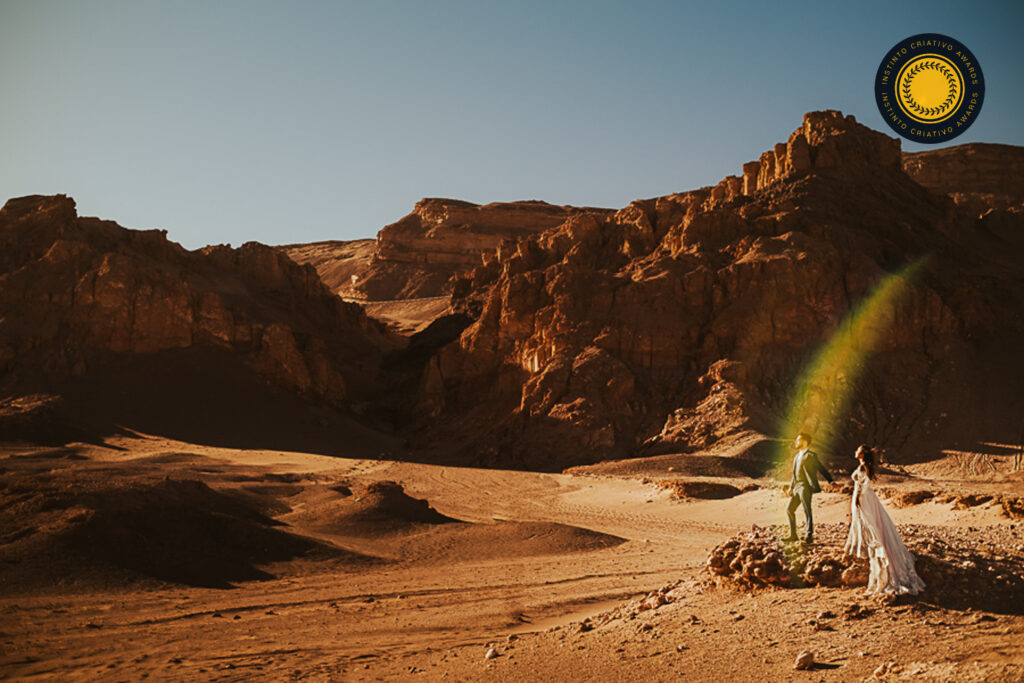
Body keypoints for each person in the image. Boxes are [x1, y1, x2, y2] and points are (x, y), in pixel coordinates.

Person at [844, 445, 925, 596]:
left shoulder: (863, 467)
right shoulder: (863, 466)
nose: (855, 452)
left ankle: (884, 566)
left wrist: (857, 498)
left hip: (864, 499)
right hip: (866, 498)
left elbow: (863, 484)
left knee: (872, 527)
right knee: (875, 526)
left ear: (862, 454)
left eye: (857, 450)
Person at [785, 433, 834, 543]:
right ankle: (793, 535)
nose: (796, 442)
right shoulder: (797, 456)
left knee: (807, 510)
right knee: (789, 509)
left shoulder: (811, 456)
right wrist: (790, 487)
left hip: (805, 486)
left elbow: (821, 469)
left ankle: (809, 535)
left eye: (798, 440)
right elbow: (794, 474)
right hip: (796, 486)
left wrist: (830, 480)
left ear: (805, 441)